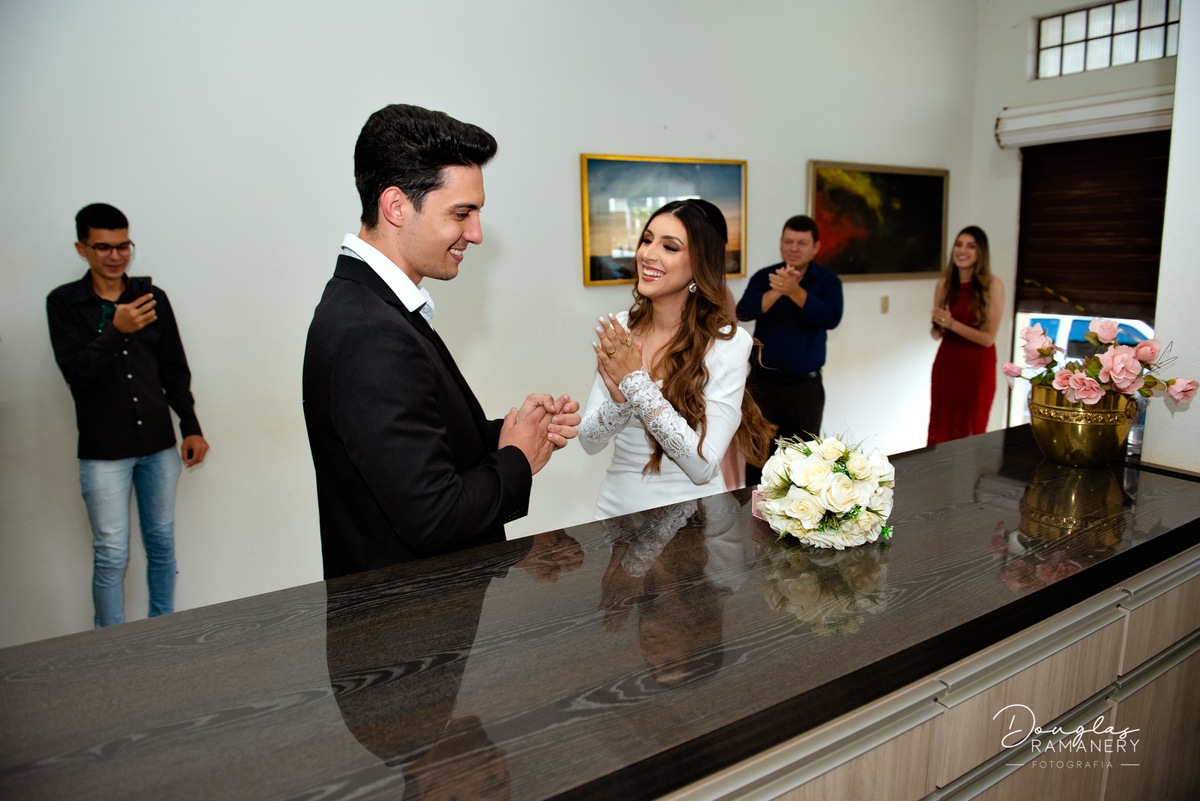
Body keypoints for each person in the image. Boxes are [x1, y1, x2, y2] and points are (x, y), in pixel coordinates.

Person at [303, 104, 582, 580]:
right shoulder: (372, 332)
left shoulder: (372, 304)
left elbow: (416, 449)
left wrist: (514, 432)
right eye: (461, 213)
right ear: (396, 206)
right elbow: (434, 518)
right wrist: (517, 459)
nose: (475, 233)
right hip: (406, 614)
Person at [46, 203, 209, 628]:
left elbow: (174, 369)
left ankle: (161, 631)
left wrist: (190, 427)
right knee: (111, 553)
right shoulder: (64, 303)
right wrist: (115, 330)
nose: (115, 256)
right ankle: (110, 646)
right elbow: (77, 374)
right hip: (103, 453)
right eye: (103, 247)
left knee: (161, 543)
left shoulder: (152, 298)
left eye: (123, 246)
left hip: (159, 446)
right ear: (82, 248)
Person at [578, 199, 774, 520]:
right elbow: (589, 442)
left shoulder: (727, 342)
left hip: (692, 521)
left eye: (669, 246)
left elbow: (703, 467)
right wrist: (619, 403)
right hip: (615, 511)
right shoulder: (622, 326)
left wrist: (635, 383)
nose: (647, 254)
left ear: (699, 266)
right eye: (647, 240)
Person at [736, 215, 843, 485]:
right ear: (781, 243)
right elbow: (743, 311)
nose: (794, 248)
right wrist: (778, 290)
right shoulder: (766, 276)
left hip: (804, 390)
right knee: (756, 460)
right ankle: (751, 509)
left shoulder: (828, 281)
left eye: (802, 243)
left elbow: (831, 317)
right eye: (788, 241)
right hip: (762, 387)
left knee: (805, 464)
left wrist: (796, 292)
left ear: (816, 247)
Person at [927, 225, 1005, 445]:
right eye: (959, 245)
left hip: (977, 366)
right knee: (942, 428)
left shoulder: (993, 286)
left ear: (981, 252)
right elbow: (935, 334)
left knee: (972, 430)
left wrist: (952, 324)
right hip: (947, 364)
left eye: (971, 246)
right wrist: (939, 326)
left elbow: (988, 338)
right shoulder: (943, 285)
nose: (962, 251)